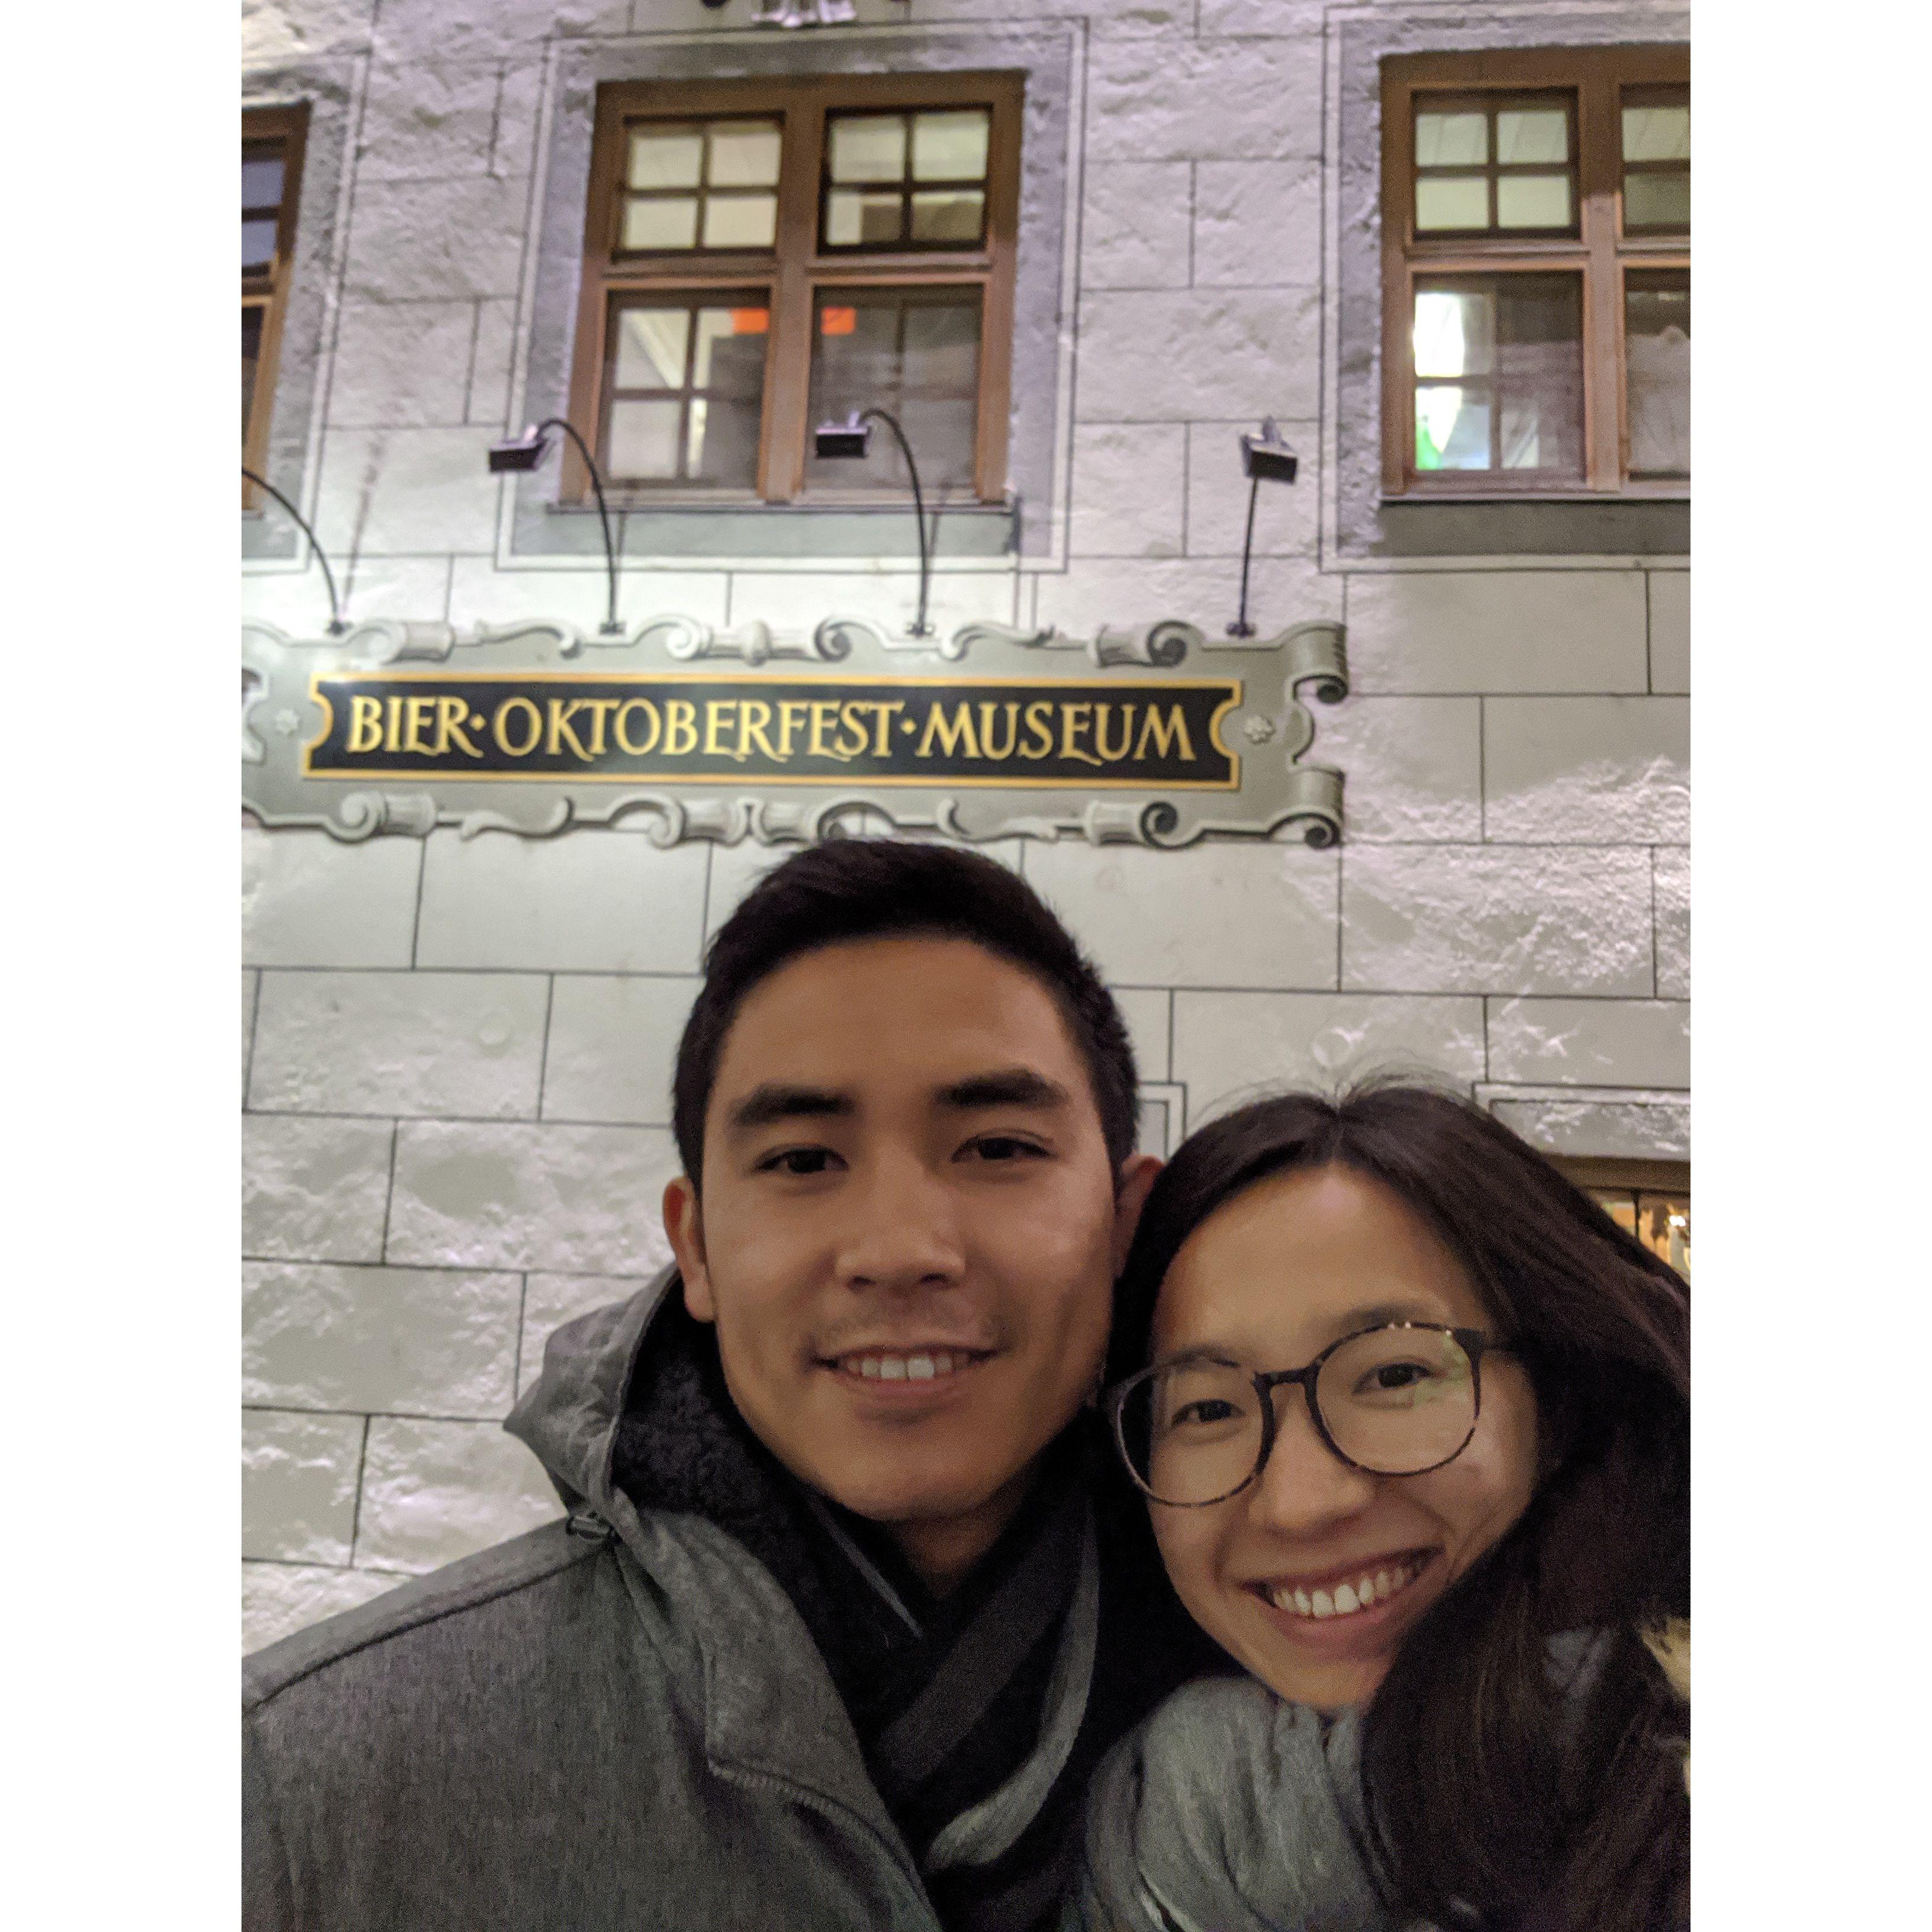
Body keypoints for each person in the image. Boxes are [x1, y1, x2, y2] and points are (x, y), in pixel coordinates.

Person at [243, 839, 1218, 1932]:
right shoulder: (303, 1790)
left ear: (1125, 1221)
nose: (899, 1250)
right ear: (696, 1247)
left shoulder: (1314, 1698)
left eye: (996, 1147)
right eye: (803, 1161)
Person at [1068, 1085, 1690, 1932]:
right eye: (1207, 1409)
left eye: (1395, 1375)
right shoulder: (1148, 1812)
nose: (1300, 1505)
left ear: (1558, 1399)